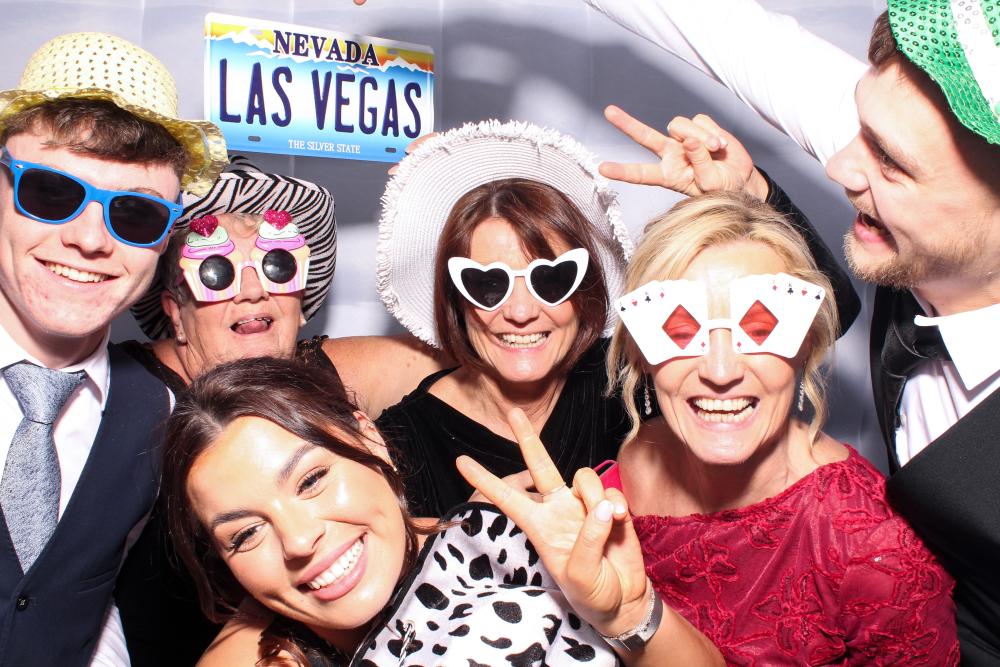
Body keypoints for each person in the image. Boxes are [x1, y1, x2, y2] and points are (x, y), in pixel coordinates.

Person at [584, 1, 1000, 660]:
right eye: (859, 129)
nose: (839, 167)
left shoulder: (857, 532)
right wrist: (752, 205)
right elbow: (735, 35)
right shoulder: (924, 129)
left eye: (890, 162)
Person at [374, 119, 858, 518]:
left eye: (551, 279)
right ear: (455, 296)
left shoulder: (628, 375)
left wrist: (749, 195)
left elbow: (821, 316)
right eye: (487, 284)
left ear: (584, 287)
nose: (520, 312)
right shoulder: (401, 442)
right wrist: (453, 538)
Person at [163, 356, 722, 666]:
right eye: (245, 534)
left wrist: (628, 614)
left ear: (369, 440)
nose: (298, 539)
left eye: (311, 480)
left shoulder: (507, 536)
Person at [599, 190, 958, 664]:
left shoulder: (871, 547)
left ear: (806, 344)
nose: (721, 370)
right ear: (642, 352)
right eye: (681, 331)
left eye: (761, 329)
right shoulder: (638, 459)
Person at [0, 31, 226, 666]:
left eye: (134, 215)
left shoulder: (157, 414)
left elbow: (84, 602)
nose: (92, 239)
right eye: (51, 193)